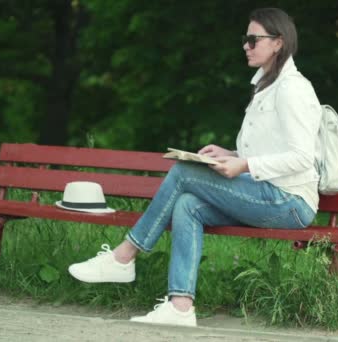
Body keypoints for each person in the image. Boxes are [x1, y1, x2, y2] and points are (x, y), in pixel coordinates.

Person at [68, 7, 322, 327]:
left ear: (278, 43)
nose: (245, 45)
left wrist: (244, 163)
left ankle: (124, 256)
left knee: (183, 172)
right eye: (245, 39)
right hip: (268, 192)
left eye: (253, 39)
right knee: (188, 205)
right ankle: (180, 306)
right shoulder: (267, 86)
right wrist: (230, 153)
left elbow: (302, 157)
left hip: (290, 202)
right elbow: (271, 149)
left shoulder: (292, 89)